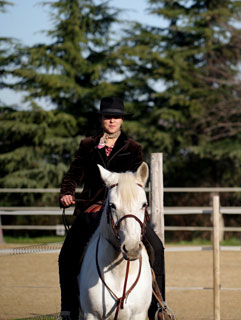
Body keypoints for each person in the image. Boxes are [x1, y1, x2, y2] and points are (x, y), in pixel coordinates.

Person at [58, 97, 166, 320]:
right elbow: (74, 173)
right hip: (92, 209)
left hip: (125, 211)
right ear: (101, 119)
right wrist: (67, 192)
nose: (112, 120)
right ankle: (68, 309)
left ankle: (159, 308)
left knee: (157, 247)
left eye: (116, 117)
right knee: (67, 254)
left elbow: (135, 180)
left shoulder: (133, 148)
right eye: (108, 116)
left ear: (122, 120)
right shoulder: (87, 145)